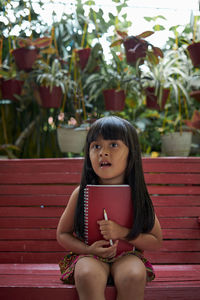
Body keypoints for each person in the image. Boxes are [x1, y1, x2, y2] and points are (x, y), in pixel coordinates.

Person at [57, 116, 162, 300]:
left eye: (113, 145)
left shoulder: (137, 195)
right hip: (91, 255)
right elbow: (62, 234)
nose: (103, 152)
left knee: (134, 275)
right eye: (96, 146)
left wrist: (123, 233)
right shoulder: (81, 193)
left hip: (127, 255)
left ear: (132, 153)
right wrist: (88, 250)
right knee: (87, 275)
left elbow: (155, 240)